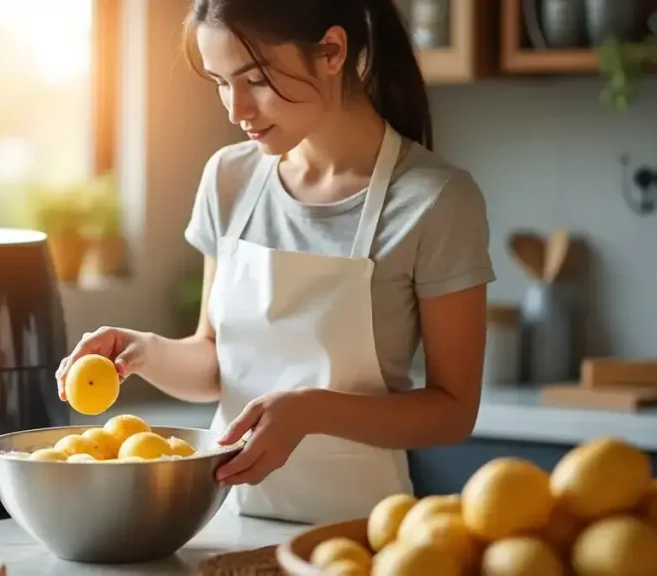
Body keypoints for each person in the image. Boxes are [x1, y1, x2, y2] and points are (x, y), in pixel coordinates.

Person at [55, 0, 494, 525]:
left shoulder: (435, 200)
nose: (235, 109)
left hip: (359, 533)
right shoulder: (229, 178)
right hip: (229, 520)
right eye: (220, 82)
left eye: (255, 80)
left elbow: (452, 412)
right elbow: (216, 361)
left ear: (332, 51)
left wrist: (311, 412)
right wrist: (142, 352)